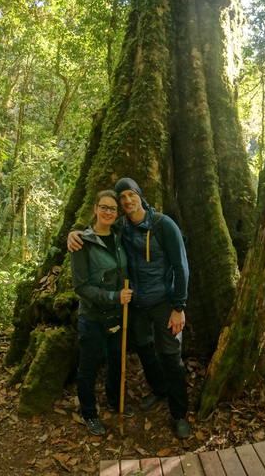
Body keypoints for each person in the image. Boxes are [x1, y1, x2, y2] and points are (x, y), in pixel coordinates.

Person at [68, 178, 191, 439]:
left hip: (163, 303)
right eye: (120, 198)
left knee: (171, 355)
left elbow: (181, 267)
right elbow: (95, 235)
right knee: (145, 349)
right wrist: (73, 233)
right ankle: (159, 391)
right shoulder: (122, 228)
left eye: (129, 195)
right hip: (135, 306)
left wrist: (179, 306)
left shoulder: (163, 225)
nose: (126, 201)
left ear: (139, 195)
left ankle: (179, 414)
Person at [69, 190, 134, 435]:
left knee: (117, 362)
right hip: (93, 317)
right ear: (95, 208)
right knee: (89, 366)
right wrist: (113, 297)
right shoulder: (81, 243)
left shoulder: (119, 235)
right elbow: (81, 287)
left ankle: (115, 401)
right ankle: (89, 413)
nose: (108, 212)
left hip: (119, 315)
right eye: (103, 207)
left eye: (112, 209)